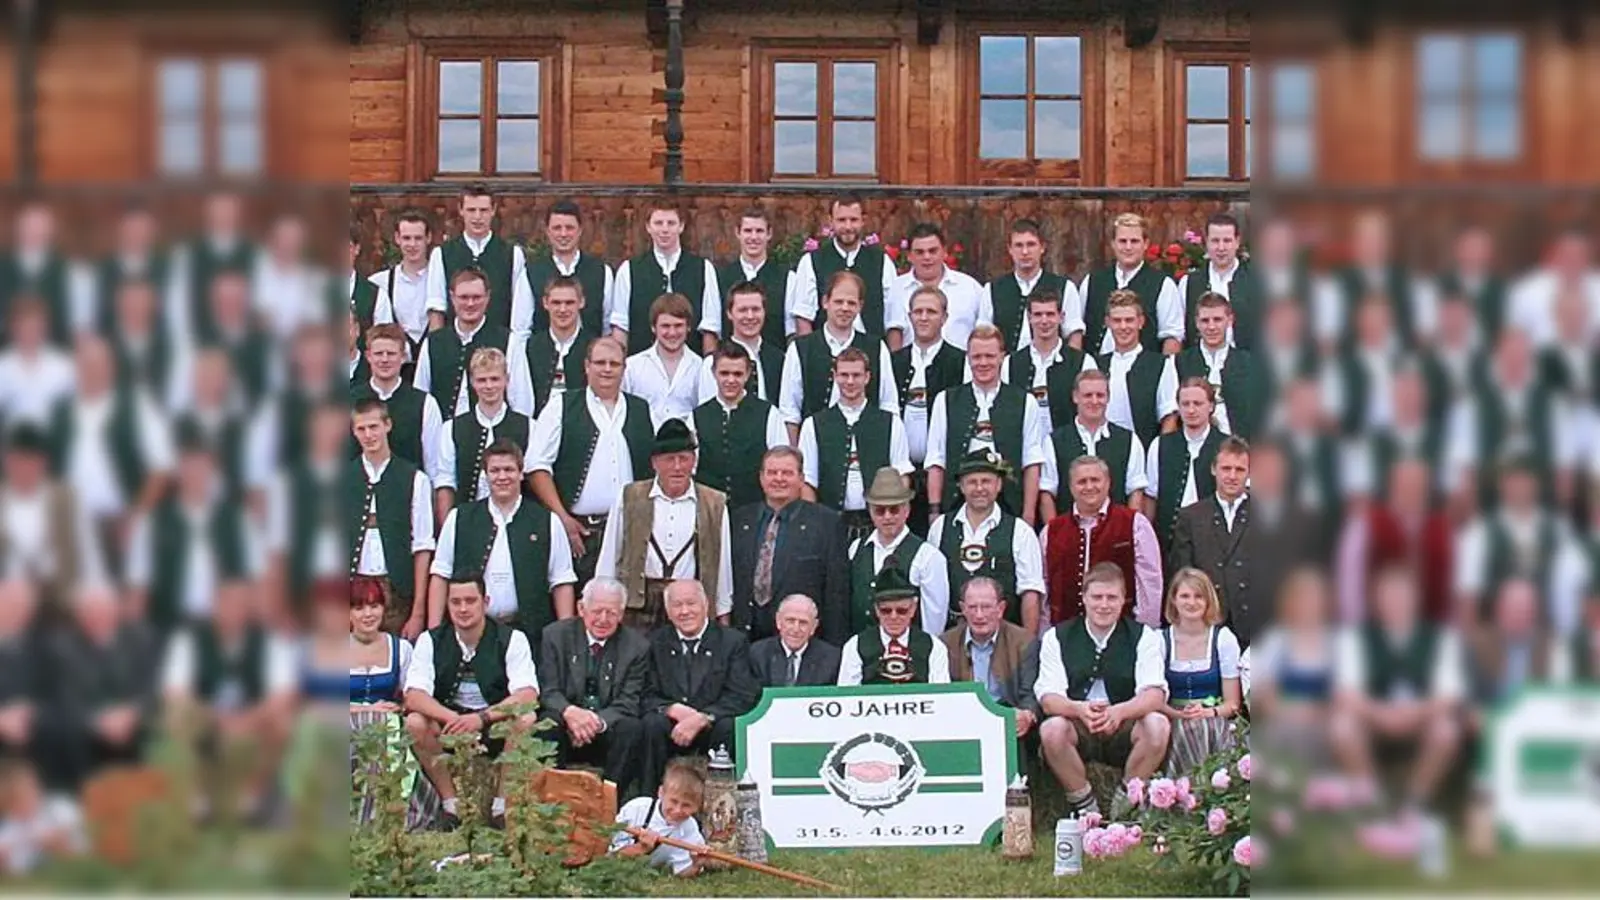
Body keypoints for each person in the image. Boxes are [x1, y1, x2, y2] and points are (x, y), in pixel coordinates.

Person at [1033, 562, 1172, 818]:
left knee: (1158, 724)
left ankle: (1125, 803)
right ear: (1084, 598)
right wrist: (1078, 709)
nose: (1104, 605)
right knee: (1051, 729)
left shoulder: (1144, 636)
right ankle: (1086, 807)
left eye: (1112, 598)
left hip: (1126, 724)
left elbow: (1155, 694)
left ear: (1123, 600)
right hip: (1079, 723)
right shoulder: (1057, 637)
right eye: (1097, 597)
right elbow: (1048, 698)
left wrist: (1120, 711)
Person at [404, 575, 542, 831]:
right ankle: (451, 805)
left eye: (470, 601)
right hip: (450, 726)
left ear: (485, 602)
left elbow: (527, 694)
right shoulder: (430, 640)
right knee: (415, 722)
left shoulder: (511, 638)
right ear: (447, 604)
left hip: (493, 724)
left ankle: (501, 806)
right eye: (456, 602)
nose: (463, 609)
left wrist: (481, 718)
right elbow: (413, 695)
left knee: (526, 719)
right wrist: (452, 719)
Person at [1329, 563, 1466, 817]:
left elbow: (1449, 697)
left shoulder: (1441, 637)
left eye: (1402, 594)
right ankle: (1371, 804)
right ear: (1375, 599)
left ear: (1416, 598)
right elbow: (1346, 694)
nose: (1396, 601)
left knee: (1447, 730)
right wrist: (1383, 715)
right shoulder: (1355, 637)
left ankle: (1415, 804)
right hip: (1372, 720)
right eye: (1388, 595)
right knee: (1342, 726)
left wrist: (1412, 714)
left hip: (1421, 720)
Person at [161, 580, 297, 823]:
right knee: (176, 715)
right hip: (205, 718)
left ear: (247, 610)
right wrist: (214, 718)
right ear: (214, 606)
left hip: (253, 720)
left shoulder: (269, 640)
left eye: (239, 605)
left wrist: (246, 720)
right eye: (225, 604)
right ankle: (197, 796)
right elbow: (174, 691)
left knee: (283, 722)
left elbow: (283, 695)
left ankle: (252, 795)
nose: (232, 611)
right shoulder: (189, 639)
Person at [527, 337, 655, 590]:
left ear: (623, 368)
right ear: (586, 366)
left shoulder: (641, 409)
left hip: (631, 530)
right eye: (600, 363)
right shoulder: (561, 406)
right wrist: (563, 518)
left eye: (614, 363)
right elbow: (536, 466)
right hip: (581, 532)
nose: (607, 369)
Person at [429, 439, 578, 644]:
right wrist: (434, 634)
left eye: (509, 470)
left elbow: (561, 581)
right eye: (495, 470)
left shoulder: (547, 521)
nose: (502, 477)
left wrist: (565, 638)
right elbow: (440, 575)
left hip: (529, 634)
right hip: (473, 633)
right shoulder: (460, 518)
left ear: (521, 473)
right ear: (486, 475)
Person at [51, 334, 173, 577]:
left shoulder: (136, 404)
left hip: (119, 524)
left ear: (112, 367)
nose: (92, 371)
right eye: (85, 364)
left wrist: (135, 517)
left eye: (99, 364)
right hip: (71, 528)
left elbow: (162, 469)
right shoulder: (59, 410)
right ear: (76, 368)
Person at [595, 420, 734, 630]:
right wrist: (605, 602)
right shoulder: (629, 496)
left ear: (693, 461)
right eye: (669, 459)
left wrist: (722, 615)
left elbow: (722, 566)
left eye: (683, 459)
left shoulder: (714, 503)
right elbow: (610, 556)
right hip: (638, 605)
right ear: (654, 463)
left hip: (687, 604)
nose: (677, 467)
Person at [124, 426, 261, 636]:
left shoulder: (238, 520)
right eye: (188, 464)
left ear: (213, 468)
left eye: (201, 464)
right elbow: (138, 587)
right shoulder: (153, 522)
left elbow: (256, 580)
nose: (195, 472)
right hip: (169, 627)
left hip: (225, 630)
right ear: (178, 469)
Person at [637, 580, 759, 797]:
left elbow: (742, 695)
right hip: (671, 727)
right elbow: (644, 692)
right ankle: (649, 803)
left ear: (706, 605)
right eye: (677, 605)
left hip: (714, 725)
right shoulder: (654, 643)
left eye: (691, 603)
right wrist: (670, 709)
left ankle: (722, 805)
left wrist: (704, 717)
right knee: (650, 724)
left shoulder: (732, 641)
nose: (685, 611)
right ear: (668, 610)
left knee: (730, 726)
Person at [537, 578, 649, 797]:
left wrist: (595, 722)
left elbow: (629, 701)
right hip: (566, 724)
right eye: (597, 611)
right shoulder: (555, 635)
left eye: (611, 613)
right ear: (581, 608)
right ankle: (551, 802)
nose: (603, 619)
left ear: (622, 614)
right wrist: (571, 714)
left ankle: (608, 802)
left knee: (633, 728)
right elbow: (548, 690)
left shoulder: (637, 647)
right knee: (547, 724)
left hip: (606, 729)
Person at [729, 447, 851, 646]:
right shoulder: (740, 519)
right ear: (761, 478)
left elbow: (836, 592)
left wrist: (834, 648)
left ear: (801, 479)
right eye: (772, 472)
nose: (779, 479)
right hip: (746, 638)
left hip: (802, 641)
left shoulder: (826, 523)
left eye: (787, 473)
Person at [925, 324, 1046, 524]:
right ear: (968, 358)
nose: (983, 363)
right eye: (977, 357)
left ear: (1001, 357)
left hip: (1009, 505)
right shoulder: (945, 399)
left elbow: (1031, 462)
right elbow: (936, 460)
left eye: (989, 356)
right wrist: (934, 511)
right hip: (956, 504)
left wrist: (1028, 513)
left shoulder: (1025, 401)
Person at [50, 585, 160, 792]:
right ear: (79, 616)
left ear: (116, 611)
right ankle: (85, 797)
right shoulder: (63, 647)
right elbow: (66, 697)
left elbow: (150, 689)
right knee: (67, 730)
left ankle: (143, 794)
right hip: (89, 729)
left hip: (132, 722)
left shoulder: (140, 640)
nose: (97, 618)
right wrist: (98, 721)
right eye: (89, 612)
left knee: (154, 730)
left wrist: (130, 713)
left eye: (103, 611)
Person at [798, 347, 913, 539]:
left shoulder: (891, 423)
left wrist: (893, 523)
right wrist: (814, 527)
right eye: (844, 375)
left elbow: (902, 477)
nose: (850, 382)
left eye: (856, 375)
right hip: (830, 525)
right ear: (835, 376)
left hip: (877, 526)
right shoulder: (813, 425)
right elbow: (808, 482)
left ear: (867, 377)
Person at [930, 449, 1046, 634]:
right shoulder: (940, 527)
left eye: (986, 481)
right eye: (972, 482)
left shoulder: (1020, 531)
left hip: (1005, 639)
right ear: (961, 486)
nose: (979, 489)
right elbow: (932, 592)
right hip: (952, 639)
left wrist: (1028, 647)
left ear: (999, 484)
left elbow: (1030, 594)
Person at [346, 397, 435, 639]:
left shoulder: (415, 479)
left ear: (387, 425)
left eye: (373, 426)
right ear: (353, 432)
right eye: (361, 428)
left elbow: (422, 548)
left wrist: (418, 613)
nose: (368, 435)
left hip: (397, 593)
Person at [1040, 456, 1163, 627]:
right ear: (1070, 487)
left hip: (1123, 632)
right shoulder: (1051, 531)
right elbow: (1045, 588)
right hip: (1065, 633)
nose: (1089, 486)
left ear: (1108, 483)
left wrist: (1144, 631)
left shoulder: (1135, 524)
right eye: (1082, 481)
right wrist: (1046, 633)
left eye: (1095, 480)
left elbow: (1150, 583)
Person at [779, 270, 899, 441]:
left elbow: (889, 405)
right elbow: (790, 411)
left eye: (851, 303)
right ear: (825, 302)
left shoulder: (877, 348)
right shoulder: (800, 349)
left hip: (867, 444)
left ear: (860, 306)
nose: (845, 308)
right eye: (839, 302)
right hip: (815, 447)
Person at [1168, 436, 1266, 645]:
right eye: (1226, 468)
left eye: (1239, 470)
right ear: (1214, 469)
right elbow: (1182, 573)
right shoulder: (1190, 516)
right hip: (1207, 625)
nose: (1232, 476)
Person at [1335, 457, 1454, 627]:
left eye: (1418, 482)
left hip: (1430, 633)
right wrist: (1357, 628)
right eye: (1405, 482)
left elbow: (1452, 591)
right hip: (1375, 630)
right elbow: (1350, 586)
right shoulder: (1364, 524)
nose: (1412, 488)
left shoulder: (1443, 529)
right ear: (1392, 484)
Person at [0, 423, 104, 613]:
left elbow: (89, 552)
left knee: (96, 605)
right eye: (18, 461)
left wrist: (95, 593)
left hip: (62, 594)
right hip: (9, 597)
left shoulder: (67, 499)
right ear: (7, 462)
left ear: (43, 463)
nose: (24, 468)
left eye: (31, 461)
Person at [888, 284, 966, 532]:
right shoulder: (893, 362)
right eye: (918, 311)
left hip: (941, 475)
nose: (923, 317)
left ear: (944, 317)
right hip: (900, 472)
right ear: (909, 315)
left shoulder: (959, 361)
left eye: (931, 312)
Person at [414, 268, 535, 418]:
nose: (470, 303)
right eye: (464, 297)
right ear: (452, 297)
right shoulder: (433, 343)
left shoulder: (508, 341)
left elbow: (522, 401)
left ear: (487, 297)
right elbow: (421, 398)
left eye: (476, 297)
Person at [1157, 569, 1243, 776]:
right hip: (1171, 715)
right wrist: (1177, 713)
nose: (1191, 603)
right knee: (1183, 730)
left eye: (1198, 596)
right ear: (1174, 601)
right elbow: (1153, 699)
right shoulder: (1159, 640)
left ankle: (1208, 794)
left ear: (1208, 601)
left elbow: (1233, 704)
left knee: (1203, 728)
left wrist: (1208, 712)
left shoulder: (1223, 639)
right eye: (1185, 596)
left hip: (1213, 716)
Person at [433, 347, 537, 518]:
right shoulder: (451, 429)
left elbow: (533, 479)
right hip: (468, 520)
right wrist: (447, 528)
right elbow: (446, 483)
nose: (489, 386)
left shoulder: (529, 427)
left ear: (506, 380)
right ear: (472, 382)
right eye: (482, 380)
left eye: (495, 379)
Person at [846, 467, 950, 637]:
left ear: (907, 510)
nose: (887, 517)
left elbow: (934, 619)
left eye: (894, 509)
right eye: (880, 510)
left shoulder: (928, 556)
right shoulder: (856, 548)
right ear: (870, 512)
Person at [610, 201, 721, 355]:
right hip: (640, 367)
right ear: (648, 227)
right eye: (658, 223)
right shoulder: (629, 270)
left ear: (681, 226)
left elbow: (710, 327)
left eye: (671, 223)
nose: (664, 229)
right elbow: (621, 327)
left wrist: (708, 370)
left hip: (691, 367)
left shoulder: (703, 269)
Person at [688, 343, 788, 510]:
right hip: (710, 510)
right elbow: (691, 468)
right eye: (724, 373)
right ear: (714, 373)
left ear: (748, 374)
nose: (731, 380)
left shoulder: (769, 413)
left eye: (737, 374)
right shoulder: (696, 416)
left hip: (756, 510)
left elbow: (780, 464)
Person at [1039, 368, 1148, 519]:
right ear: (1075, 397)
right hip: (1069, 534)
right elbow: (1047, 494)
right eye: (1088, 395)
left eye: (1100, 395)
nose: (1095, 401)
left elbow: (1135, 493)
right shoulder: (1054, 441)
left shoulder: (1129, 440)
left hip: (1115, 534)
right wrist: (1054, 535)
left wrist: (1129, 533)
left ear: (1108, 397)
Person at [791, 194, 900, 343]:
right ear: (831, 221)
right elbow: (804, 317)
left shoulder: (882, 262)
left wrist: (893, 361)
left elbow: (894, 320)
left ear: (863, 221)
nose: (848, 227)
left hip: (871, 352)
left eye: (853, 220)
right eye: (841, 220)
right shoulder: (811, 261)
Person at [940, 577, 1040, 739]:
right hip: (963, 721)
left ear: (1001, 609)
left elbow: (1029, 694)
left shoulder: (1024, 642)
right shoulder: (945, 644)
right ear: (963, 609)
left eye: (986, 607)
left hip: (1007, 718)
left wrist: (1027, 714)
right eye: (972, 607)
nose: (979, 615)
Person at [426, 183, 531, 335]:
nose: (477, 217)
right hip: (455, 344)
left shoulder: (513, 254)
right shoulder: (441, 254)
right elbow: (437, 307)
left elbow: (519, 308)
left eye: (483, 210)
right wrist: (437, 346)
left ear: (493, 211)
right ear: (461, 210)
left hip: (498, 345)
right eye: (471, 210)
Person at [1144, 378, 1228, 555]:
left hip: (1216, 543)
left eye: (1197, 403)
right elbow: (1151, 498)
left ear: (1211, 406)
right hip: (1170, 542)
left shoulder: (1226, 446)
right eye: (1185, 404)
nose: (1191, 410)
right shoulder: (1160, 446)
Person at [1079, 213, 1183, 356]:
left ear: (1145, 244)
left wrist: (1165, 372)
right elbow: (1078, 333)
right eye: (1122, 241)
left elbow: (1172, 338)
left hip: (1144, 372)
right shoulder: (1092, 281)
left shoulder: (1163, 284)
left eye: (1134, 241)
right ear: (1113, 244)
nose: (1128, 247)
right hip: (1097, 372)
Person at [1090, 290, 1179, 450]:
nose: (1123, 327)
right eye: (1117, 321)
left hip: (1142, 453)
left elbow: (1169, 418)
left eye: (1129, 320)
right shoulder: (1095, 365)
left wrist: (1157, 455)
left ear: (1141, 322)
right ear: (1108, 322)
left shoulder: (1160, 365)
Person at [352, 323, 444, 476]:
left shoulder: (424, 404)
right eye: (379, 353)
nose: (385, 359)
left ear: (403, 357)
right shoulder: (348, 400)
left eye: (391, 353)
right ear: (368, 356)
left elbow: (434, 466)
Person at [1174, 292, 1268, 440]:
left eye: (1217, 320)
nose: (1211, 327)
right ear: (1196, 322)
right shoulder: (1178, 363)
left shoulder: (1251, 363)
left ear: (1230, 320)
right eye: (1205, 320)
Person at [838, 564, 952, 685]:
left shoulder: (934, 647)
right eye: (886, 611)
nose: (893, 617)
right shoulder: (855, 646)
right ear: (876, 610)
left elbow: (941, 694)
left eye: (902, 611)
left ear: (913, 609)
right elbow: (847, 695)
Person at [982, 218, 1082, 350]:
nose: (1025, 252)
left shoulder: (1065, 288)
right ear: (1010, 249)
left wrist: (1070, 367)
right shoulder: (992, 289)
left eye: (1031, 244)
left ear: (1042, 248)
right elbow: (984, 337)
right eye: (1019, 245)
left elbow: (1074, 335)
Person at [887, 223, 989, 349]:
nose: (927, 257)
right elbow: (894, 333)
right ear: (909, 255)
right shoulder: (897, 289)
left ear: (944, 252)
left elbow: (984, 332)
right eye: (920, 252)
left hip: (961, 366)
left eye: (932, 251)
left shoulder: (969, 288)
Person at [1002, 291, 1087, 437]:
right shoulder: (1010, 363)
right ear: (1029, 318)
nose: (1044, 321)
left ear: (1061, 317)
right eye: (1038, 314)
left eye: (1050, 314)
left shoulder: (1083, 362)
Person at [525, 199, 613, 338]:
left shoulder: (602, 271)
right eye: (557, 228)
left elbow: (608, 327)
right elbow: (521, 329)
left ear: (580, 230)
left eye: (569, 228)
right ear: (547, 231)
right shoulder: (530, 272)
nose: (563, 234)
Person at [1178, 212, 1261, 351]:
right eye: (1215, 241)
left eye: (1227, 241)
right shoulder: (1188, 283)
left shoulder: (1258, 281)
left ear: (1237, 242)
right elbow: (1180, 334)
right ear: (1206, 242)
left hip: (1248, 366)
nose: (1221, 248)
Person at [609, 760, 707, 878]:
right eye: (673, 801)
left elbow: (682, 873)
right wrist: (641, 847)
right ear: (661, 793)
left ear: (697, 806)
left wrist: (696, 865)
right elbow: (611, 857)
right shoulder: (636, 809)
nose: (677, 810)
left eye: (686, 805)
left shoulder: (689, 829)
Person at [621, 293, 703, 428]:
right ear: (653, 327)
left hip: (687, 444)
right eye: (665, 326)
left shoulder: (700, 367)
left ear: (688, 327)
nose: (672, 332)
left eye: (678, 326)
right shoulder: (632, 366)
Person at [715, 208, 792, 348]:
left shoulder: (787, 278)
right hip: (729, 362)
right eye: (748, 231)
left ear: (769, 234)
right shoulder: (719, 277)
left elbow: (791, 331)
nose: (754, 237)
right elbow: (713, 328)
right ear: (738, 233)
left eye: (759, 231)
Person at [698, 280, 785, 404]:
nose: (750, 316)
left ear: (764, 312)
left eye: (755, 309)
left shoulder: (780, 359)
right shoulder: (713, 362)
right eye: (743, 310)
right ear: (729, 313)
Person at [369, 208, 433, 369]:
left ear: (428, 238)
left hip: (433, 366)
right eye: (406, 238)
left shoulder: (441, 280)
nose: (412, 244)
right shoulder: (378, 283)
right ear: (397, 238)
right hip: (392, 368)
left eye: (418, 238)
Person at [0, 758, 87, 875]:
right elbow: (15, 864)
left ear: (36, 789)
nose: (19, 809)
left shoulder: (59, 807)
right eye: (12, 805)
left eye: (23, 798)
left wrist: (58, 843)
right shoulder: (10, 826)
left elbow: (83, 841)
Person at [524, 275, 595, 416]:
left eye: (569, 303)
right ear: (545, 303)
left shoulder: (593, 347)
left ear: (581, 303)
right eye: (556, 303)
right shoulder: (531, 346)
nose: (562, 309)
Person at [0, 299, 75, 429]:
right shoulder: (3, 366)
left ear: (45, 327)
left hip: (53, 439)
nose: (30, 331)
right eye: (25, 325)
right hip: (13, 442)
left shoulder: (63, 365)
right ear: (14, 327)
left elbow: (73, 410)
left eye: (35, 326)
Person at [747, 594, 843, 689]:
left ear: (814, 626)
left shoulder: (831, 659)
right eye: (790, 621)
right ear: (778, 621)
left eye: (803, 622)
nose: (796, 629)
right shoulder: (757, 654)